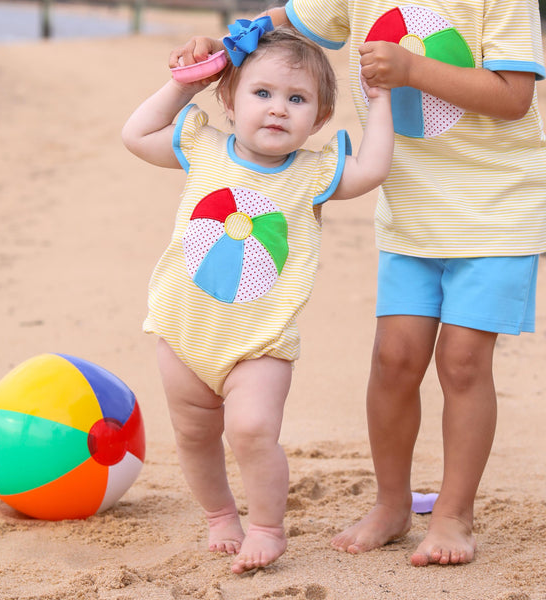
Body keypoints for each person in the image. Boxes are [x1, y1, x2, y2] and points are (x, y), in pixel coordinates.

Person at [169, 0, 546, 567]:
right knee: (394, 360)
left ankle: (452, 515)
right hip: (411, 212)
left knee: (463, 362)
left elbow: (515, 97)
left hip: (494, 211)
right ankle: (392, 506)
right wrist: (219, 47)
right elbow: (286, 23)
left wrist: (412, 70)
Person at [122, 22, 393, 574]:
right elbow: (135, 134)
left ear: (318, 119)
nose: (277, 109)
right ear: (230, 97)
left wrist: (381, 100)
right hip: (183, 329)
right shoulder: (202, 145)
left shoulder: (313, 172)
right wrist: (185, 84)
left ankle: (268, 526)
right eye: (262, 93)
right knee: (194, 436)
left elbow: (372, 170)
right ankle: (220, 514)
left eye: (297, 100)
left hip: (259, 341)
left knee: (250, 429)